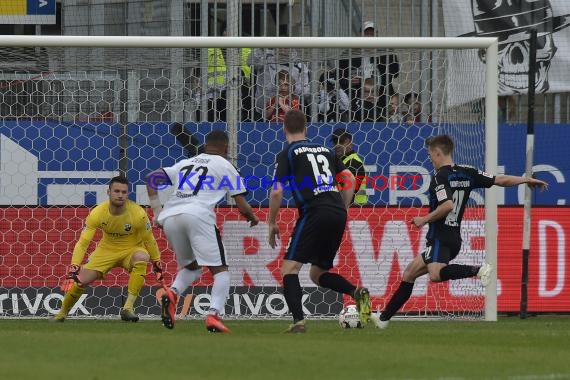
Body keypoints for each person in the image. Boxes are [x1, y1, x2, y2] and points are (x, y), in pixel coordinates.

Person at [372, 134, 549, 329]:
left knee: (436, 275)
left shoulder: (440, 177)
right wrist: (525, 179)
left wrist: (424, 219)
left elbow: (447, 205)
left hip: (439, 236)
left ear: (438, 153)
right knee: (409, 273)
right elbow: (500, 179)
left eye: (430, 154)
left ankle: (478, 270)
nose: (430, 158)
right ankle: (383, 319)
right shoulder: (468, 172)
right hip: (454, 236)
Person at [268, 109, 371, 333]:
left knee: (289, 269)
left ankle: (298, 322)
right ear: (307, 129)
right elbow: (350, 179)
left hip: (314, 211)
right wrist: (343, 208)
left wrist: (271, 222)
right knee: (317, 274)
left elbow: (276, 193)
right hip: (337, 213)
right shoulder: (326, 150)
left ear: (284, 129)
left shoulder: (288, 152)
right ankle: (357, 293)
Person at [146, 130, 259, 332]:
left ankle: (172, 293)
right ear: (226, 148)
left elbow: (152, 178)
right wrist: (253, 218)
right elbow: (241, 204)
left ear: (206, 146)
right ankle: (213, 314)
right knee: (221, 270)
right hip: (197, 215)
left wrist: (156, 212)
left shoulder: (185, 163)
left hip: (171, 217)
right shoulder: (225, 166)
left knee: (192, 268)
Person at [50, 176, 163, 323]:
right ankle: (62, 313)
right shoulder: (98, 213)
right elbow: (83, 242)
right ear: (108, 192)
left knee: (142, 257)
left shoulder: (138, 214)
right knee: (81, 280)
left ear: (128, 194)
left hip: (131, 250)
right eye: (116, 191)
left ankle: (128, 309)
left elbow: (150, 240)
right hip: (106, 250)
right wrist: (74, 267)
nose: (120, 195)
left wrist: (157, 263)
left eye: (124, 192)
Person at [338, 21, 399, 122]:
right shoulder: (348, 55)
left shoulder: (385, 54)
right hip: (357, 100)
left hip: (381, 99)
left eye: (372, 34)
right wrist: (349, 81)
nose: (369, 37)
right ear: (359, 36)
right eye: (366, 33)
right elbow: (340, 78)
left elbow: (395, 73)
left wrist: (385, 54)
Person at [331, 128, 367, 205]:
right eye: (335, 142)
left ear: (350, 142)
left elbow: (349, 193)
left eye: (341, 141)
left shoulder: (354, 162)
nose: (337, 145)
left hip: (355, 210)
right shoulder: (340, 162)